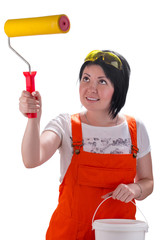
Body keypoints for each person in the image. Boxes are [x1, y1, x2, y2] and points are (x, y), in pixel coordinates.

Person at [19, 50, 154, 240]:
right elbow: (31, 159)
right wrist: (34, 119)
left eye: (102, 81)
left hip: (117, 235)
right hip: (68, 234)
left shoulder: (135, 130)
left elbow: (148, 181)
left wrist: (135, 189)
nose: (91, 88)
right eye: (86, 79)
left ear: (119, 88)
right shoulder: (65, 125)